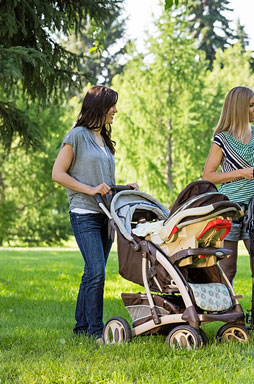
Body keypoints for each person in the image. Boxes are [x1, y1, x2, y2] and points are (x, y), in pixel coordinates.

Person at [52, 85, 138, 342]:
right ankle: (95, 330)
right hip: (84, 212)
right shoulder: (76, 135)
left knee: (92, 271)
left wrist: (124, 187)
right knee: (97, 270)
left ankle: (81, 327)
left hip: (106, 213)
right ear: (98, 107)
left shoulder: (103, 138)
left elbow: (103, 181)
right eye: (111, 105)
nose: (115, 110)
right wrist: (89, 189)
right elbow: (58, 174)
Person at [202, 86, 254, 284]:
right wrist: (242, 173)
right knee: (228, 267)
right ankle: (228, 310)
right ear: (239, 108)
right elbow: (208, 176)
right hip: (229, 209)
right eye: (252, 105)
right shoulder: (222, 139)